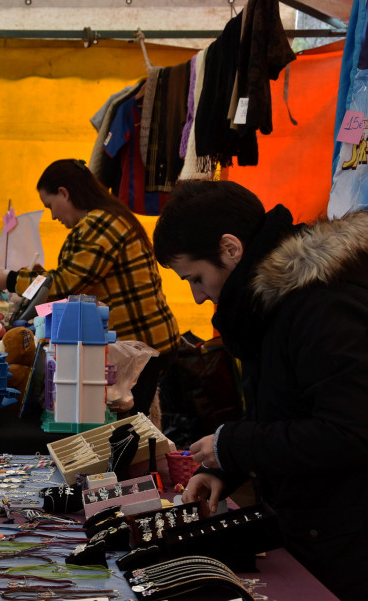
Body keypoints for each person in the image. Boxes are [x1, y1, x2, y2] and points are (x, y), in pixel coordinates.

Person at [152, 180, 368, 601]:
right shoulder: (271, 302)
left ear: (231, 248)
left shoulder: (322, 305)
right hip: (319, 526)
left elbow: (348, 433)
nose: (197, 298)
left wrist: (234, 444)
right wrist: (224, 468)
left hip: (350, 541)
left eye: (196, 279)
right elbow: (284, 408)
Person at [0, 158, 179, 414]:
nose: (52, 215)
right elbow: (77, 279)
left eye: (50, 205)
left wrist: (9, 279)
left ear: (64, 192)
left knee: (127, 425)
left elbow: (65, 283)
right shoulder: (109, 217)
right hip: (145, 340)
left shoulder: (98, 224)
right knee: (130, 420)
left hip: (139, 343)